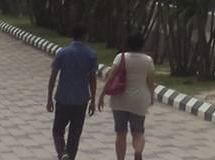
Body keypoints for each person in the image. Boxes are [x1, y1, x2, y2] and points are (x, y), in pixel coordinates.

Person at [98, 31, 157, 160]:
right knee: (138, 132)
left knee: (120, 133)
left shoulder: (121, 57)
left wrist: (102, 95)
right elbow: (151, 81)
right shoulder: (148, 60)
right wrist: (152, 96)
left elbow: (111, 77)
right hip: (140, 100)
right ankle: (138, 151)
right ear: (142, 45)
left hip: (120, 99)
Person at [46, 24, 99, 160]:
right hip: (81, 100)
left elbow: (53, 77)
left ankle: (63, 153)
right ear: (84, 36)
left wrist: (49, 98)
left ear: (72, 36)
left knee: (57, 131)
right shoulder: (91, 54)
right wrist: (93, 100)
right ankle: (70, 156)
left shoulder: (62, 53)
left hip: (63, 98)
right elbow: (93, 79)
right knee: (75, 134)